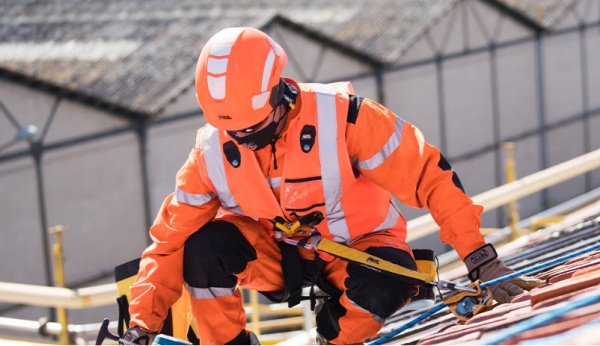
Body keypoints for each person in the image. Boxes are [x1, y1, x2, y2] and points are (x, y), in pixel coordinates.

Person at [123, 27, 542, 345]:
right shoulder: (211, 151)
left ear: (278, 94)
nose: (245, 142)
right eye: (235, 134)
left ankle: (334, 339)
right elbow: (168, 243)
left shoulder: (346, 119)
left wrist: (480, 258)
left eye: (254, 129)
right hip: (277, 256)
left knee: (388, 283)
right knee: (202, 247)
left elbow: (429, 176)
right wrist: (141, 326)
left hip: (361, 246)